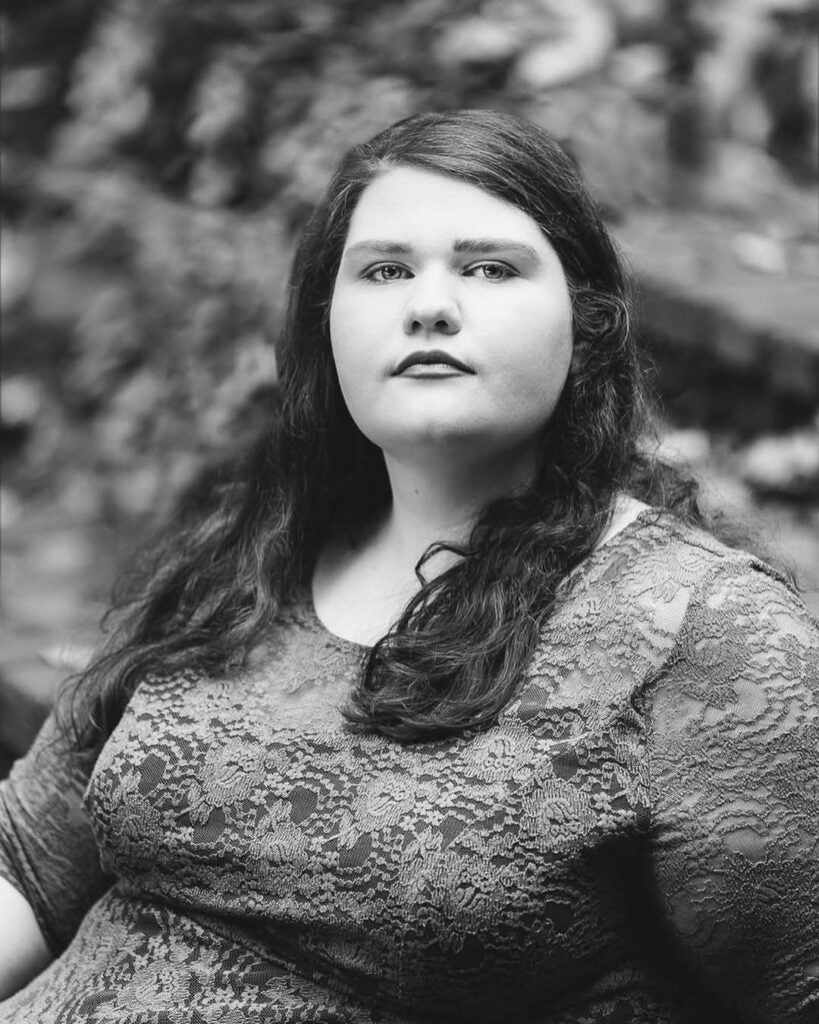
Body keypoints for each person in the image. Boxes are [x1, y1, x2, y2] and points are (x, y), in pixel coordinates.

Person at [0, 109, 817, 1023]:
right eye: (385, 270)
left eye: (489, 268)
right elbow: (28, 864)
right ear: (328, 324)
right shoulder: (247, 553)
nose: (429, 304)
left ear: (585, 326)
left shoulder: (703, 633)